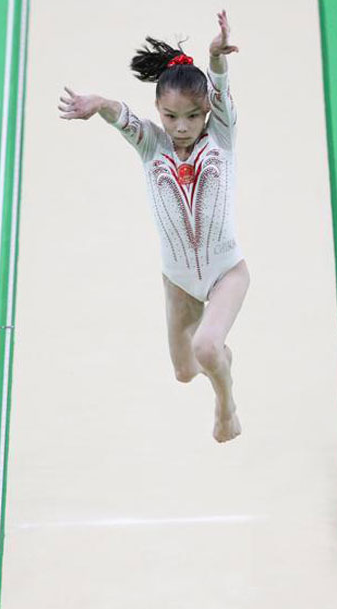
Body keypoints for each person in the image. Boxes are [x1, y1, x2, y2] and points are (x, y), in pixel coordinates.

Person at [59, 10, 249, 443]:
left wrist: (217, 59)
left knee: (205, 347)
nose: (181, 127)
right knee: (185, 372)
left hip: (226, 274)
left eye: (192, 117)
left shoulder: (221, 137)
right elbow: (121, 115)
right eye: (170, 116)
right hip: (178, 283)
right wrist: (98, 103)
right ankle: (219, 357)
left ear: (207, 112)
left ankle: (227, 407)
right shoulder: (151, 145)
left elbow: (220, 85)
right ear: (158, 112)